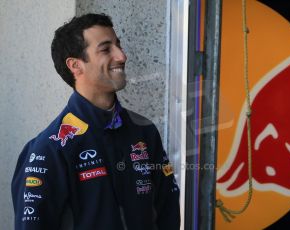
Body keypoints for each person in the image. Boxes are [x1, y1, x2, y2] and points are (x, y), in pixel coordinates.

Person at [11, 13, 180, 230]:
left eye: (118, 45)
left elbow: (168, 212)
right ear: (75, 66)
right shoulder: (49, 149)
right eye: (106, 49)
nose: (122, 56)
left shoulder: (144, 132)